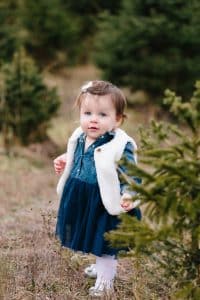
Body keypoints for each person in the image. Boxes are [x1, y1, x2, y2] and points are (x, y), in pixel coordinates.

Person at [53, 80, 141, 297]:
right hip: (82, 197)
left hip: (106, 200)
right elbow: (80, 156)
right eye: (87, 113)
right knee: (91, 232)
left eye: (103, 115)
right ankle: (100, 267)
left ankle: (105, 281)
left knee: (104, 240)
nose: (93, 119)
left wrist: (129, 193)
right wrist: (65, 159)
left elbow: (131, 173)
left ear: (117, 119)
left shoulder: (120, 144)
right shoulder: (80, 136)